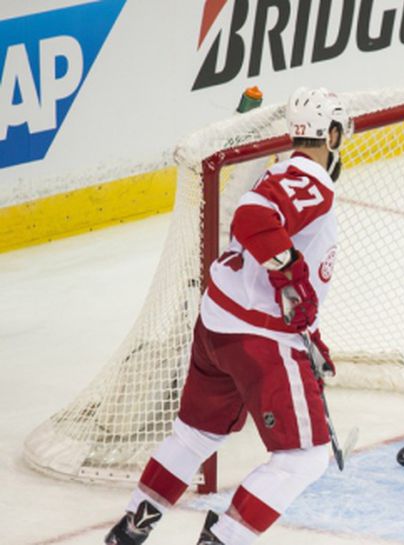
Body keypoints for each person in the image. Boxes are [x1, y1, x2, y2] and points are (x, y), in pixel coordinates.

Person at [104, 87, 352, 545]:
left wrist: (312, 337)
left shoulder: (279, 171)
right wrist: (292, 274)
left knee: (195, 435)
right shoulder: (309, 179)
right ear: (332, 134)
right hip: (258, 338)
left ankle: (128, 533)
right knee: (304, 458)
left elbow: (263, 233)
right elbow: (252, 219)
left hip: (218, 325)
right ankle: (224, 540)